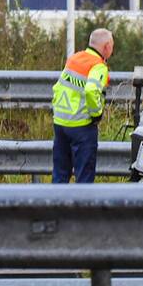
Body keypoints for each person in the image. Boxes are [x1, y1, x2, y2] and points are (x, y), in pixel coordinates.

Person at [51, 28, 113, 183]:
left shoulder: (74, 58)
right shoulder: (98, 66)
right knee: (84, 178)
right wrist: (97, 114)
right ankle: (82, 207)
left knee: (60, 175)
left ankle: (54, 206)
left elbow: (58, 87)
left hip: (60, 124)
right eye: (112, 45)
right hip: (81, 126)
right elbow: (92, 90)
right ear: (106, 47)